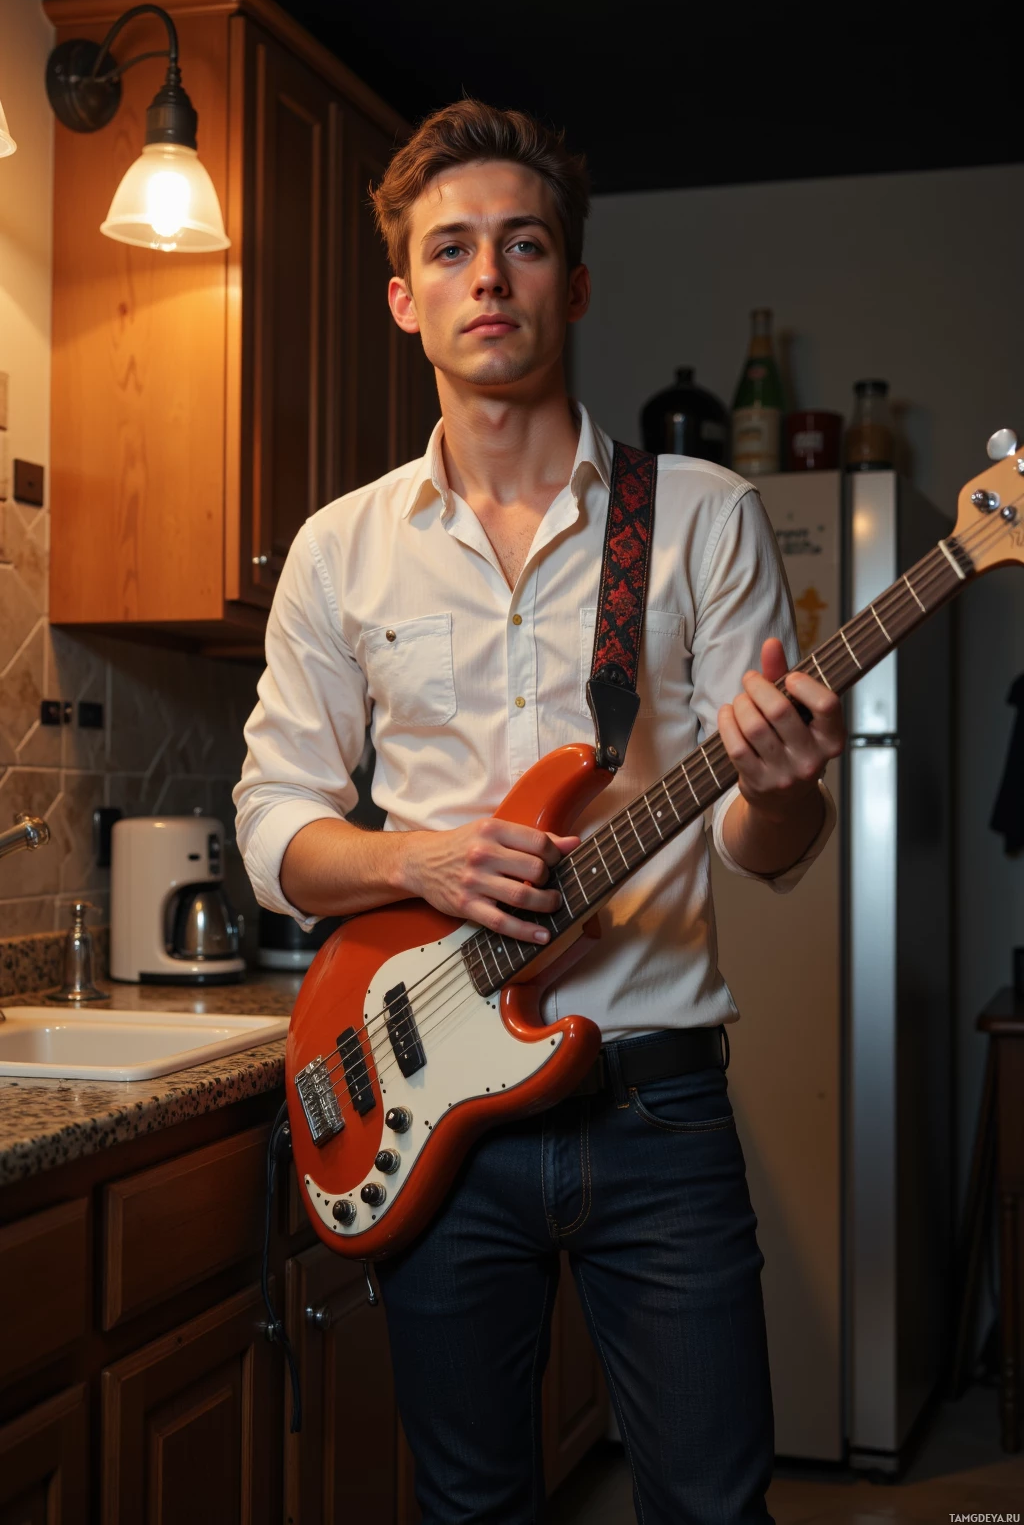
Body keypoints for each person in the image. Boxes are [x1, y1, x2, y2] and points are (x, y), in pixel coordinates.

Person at [234, 98, 845, 1525]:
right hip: (427, 1101)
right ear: (405, 299)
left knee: (710, 1508)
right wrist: (419, 860)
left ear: (573, 282)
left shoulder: (699, 516)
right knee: (470, 1508)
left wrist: (780, 793)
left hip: (657, 1101)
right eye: (451, 251)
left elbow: (767, 856)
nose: (488, 277)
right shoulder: (341, 551)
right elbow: (275, 824)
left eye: (522, 245)